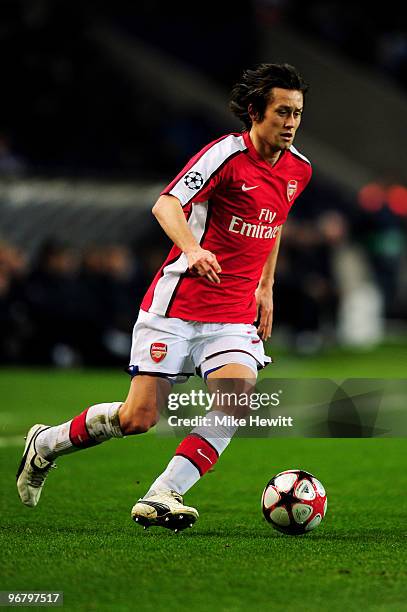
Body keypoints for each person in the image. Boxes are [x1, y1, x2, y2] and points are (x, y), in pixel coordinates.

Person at [16, 63, 312, 531]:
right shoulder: (224, 157)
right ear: (256, 112)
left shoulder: (299, 170)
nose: (291, 122)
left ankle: (164, 492)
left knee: (235, 401)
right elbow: (166, 203)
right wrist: (193, 250)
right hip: (176, 309)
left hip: (233, 316)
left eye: (297, 112)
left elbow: (274, 224)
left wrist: (266, 286)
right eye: (282, 111)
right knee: (138, 418)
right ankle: (47, 444)